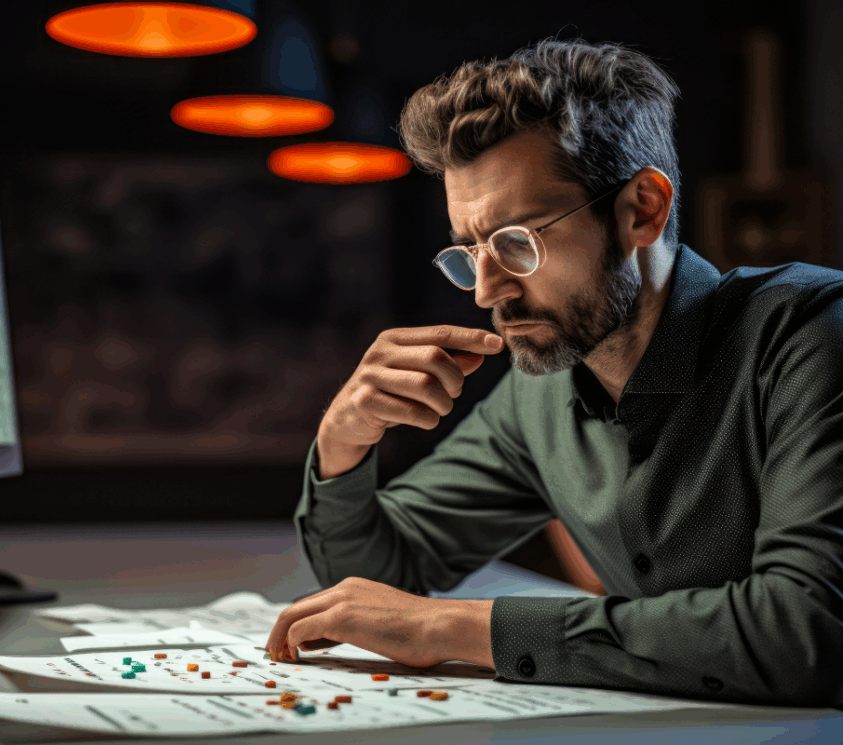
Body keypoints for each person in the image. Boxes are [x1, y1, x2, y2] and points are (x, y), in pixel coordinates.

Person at [264, 38, 843, 707]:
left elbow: (806, 633)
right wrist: (342, 441)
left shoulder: (809, 335)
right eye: (470, 251)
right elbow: (373, 585)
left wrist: (458, 627)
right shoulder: (537, 395)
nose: (487, 291)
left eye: (517, 242)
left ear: (642, 209)